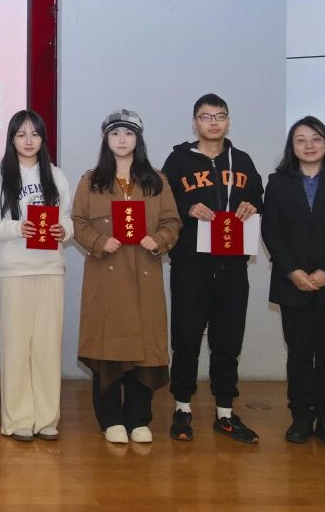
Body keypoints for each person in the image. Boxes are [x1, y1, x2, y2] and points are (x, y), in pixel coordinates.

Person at [71, 109, 181, 445]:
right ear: (106, 139)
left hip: (144, 276)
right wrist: (99, 242)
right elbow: (78, 221)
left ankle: (139, 418)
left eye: (129, 133)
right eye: (115, 133)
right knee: (108, 346)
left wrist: (158, 240)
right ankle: (111, 419)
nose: (122, 140)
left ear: (138, 139)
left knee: (144, 349)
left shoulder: (156, 180)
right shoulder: (91, 181)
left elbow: (172, 222)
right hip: (107, 276)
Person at [160, 94, 264, 444]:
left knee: (228, 341)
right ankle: (182, 408)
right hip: (191, 265)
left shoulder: (243, 160)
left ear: (228, 121)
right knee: (186, 339)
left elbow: (259, 198)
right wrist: (187, 208)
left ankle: (225, 412)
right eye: (206, 116)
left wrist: (252, 205)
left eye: (220, 116)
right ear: (195, 123)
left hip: (232, 266)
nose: (214, 122)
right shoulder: (178, 161)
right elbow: (161, 204)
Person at [262, 116, 325, 449]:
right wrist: (293, 270)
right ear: (291, 146)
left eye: (316, 139)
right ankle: (301, 419)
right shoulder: (278, 182)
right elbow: (270, 231)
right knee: (299, 354)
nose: (309, 145)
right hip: (293, 282)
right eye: (301, 140)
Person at [0, 110, 73, 442]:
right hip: (12, 270)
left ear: (43, 139)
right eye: (21, 134)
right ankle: (18, 418)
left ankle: (47, 417)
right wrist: (16, 228)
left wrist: (63, 230)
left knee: (47, 346)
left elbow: (68, 219)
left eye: (35, 134)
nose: (28, 141)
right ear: (12, 139)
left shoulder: (56, 176)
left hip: (49, 268)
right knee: (15, 346)